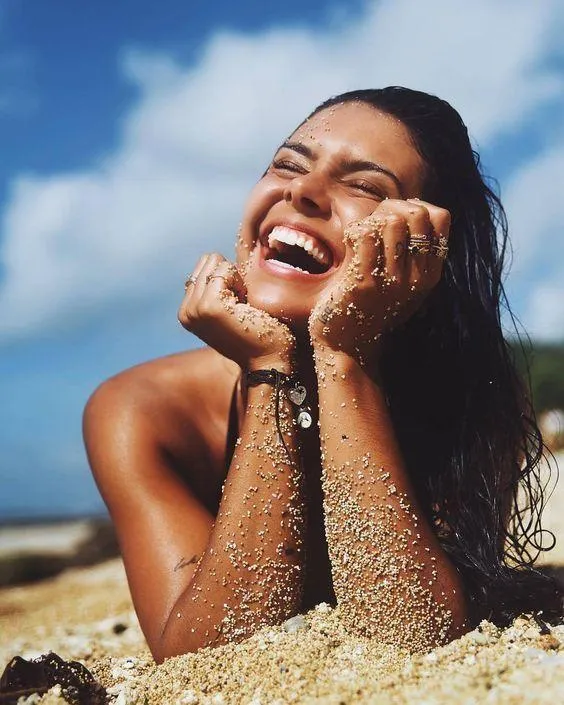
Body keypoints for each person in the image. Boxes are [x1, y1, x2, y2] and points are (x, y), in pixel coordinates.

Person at [83, 87, 563, 664]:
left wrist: (344, 358)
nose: (302, 191)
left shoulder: (472, 398)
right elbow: (204, 657)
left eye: (365, 185)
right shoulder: (143, 412)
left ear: (426, 249)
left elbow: (412, 631)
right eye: (287, 164)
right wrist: (269, 370)